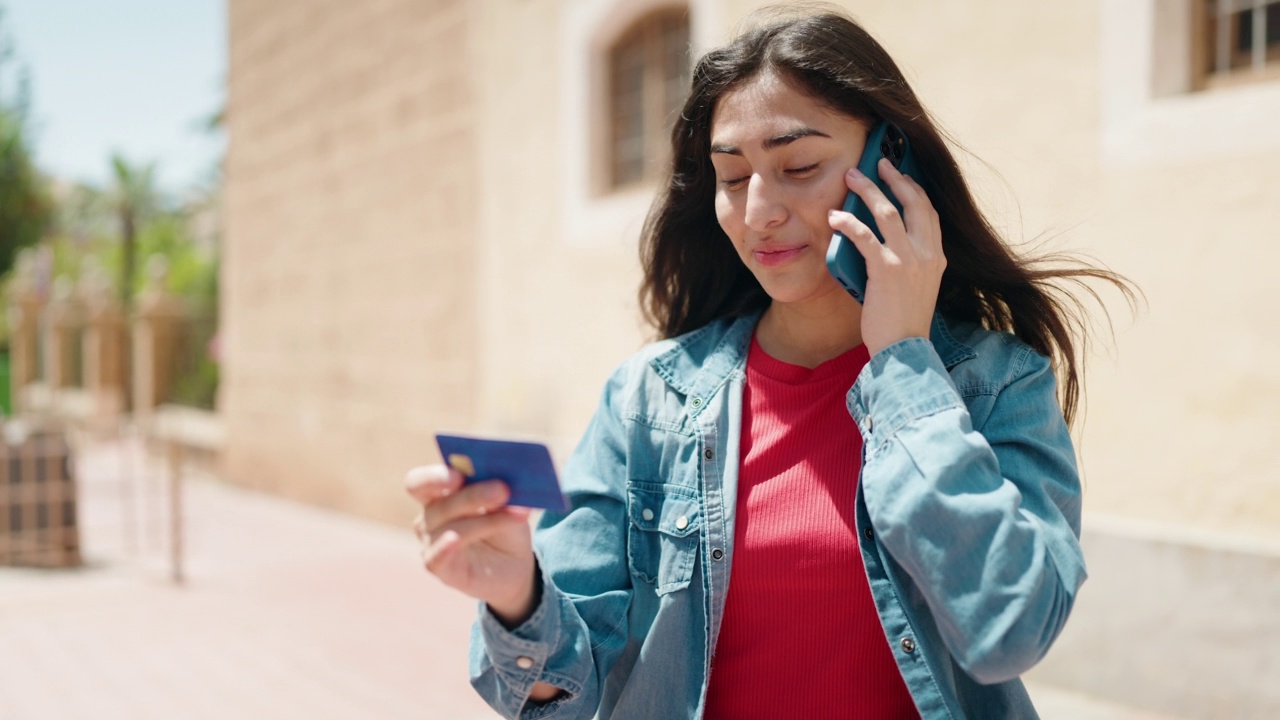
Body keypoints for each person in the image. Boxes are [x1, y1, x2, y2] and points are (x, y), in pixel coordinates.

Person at [406, 8, 1132, 719]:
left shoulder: (995, 381)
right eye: (730, 177)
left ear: (892, 163)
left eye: (799, 166)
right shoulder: (648, 398)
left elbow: (1008, 628)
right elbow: (561, 699)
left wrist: (906, 365)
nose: (759, 212)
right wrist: (516, 596)